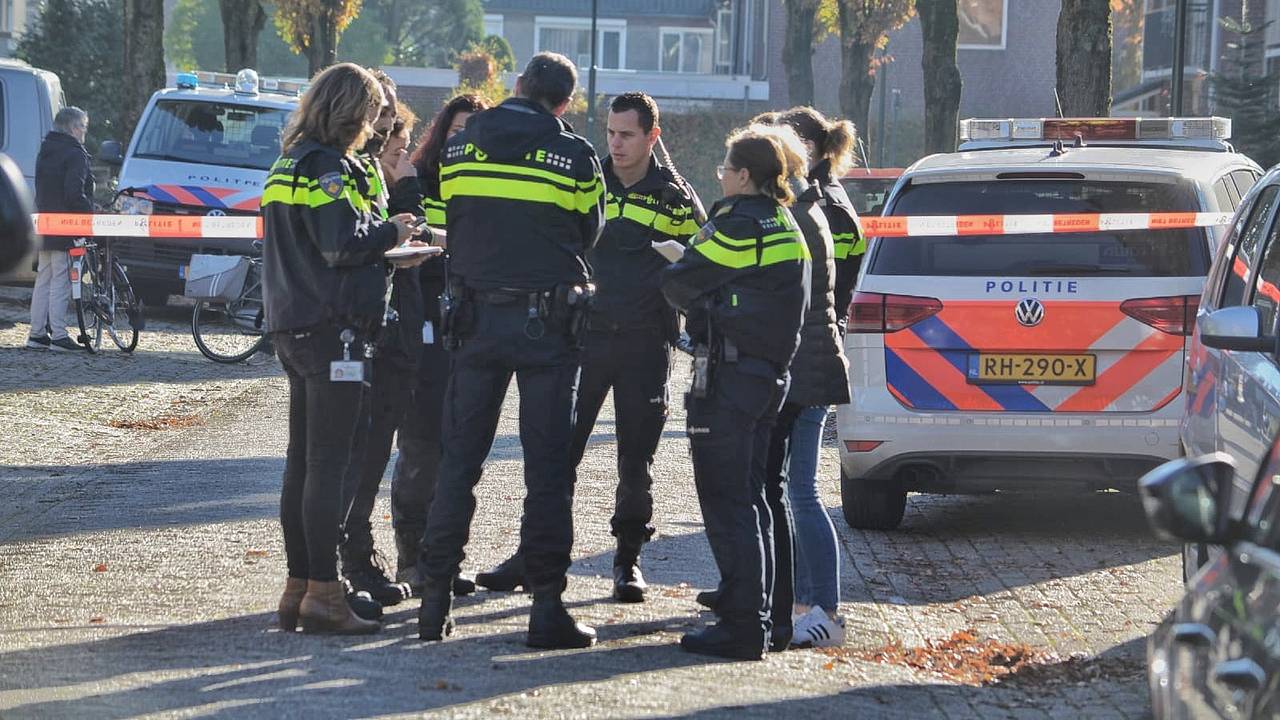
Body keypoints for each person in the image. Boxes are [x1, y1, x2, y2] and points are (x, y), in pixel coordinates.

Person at [474, 92, 702, 603]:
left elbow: (699, 268)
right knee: (557, 456)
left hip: (645, 344)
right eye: (611, 133)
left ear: (652, 137)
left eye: (627, 135)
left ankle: (628, 560)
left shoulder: (675, 196)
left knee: (635, 461)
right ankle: (533, 556)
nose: (616, 144)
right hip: (583, 341)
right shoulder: (587, 177)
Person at [416, 52, 604, 650]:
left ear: (518, 85)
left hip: (473, 321)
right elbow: (588, 231)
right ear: (564, 102)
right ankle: (546, 608)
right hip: (547, 327)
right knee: (547, 470)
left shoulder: (459, 148)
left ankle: (434, 601)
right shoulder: (576, 156)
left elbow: (449, 219)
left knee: (458, 461)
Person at [261, 62, 423, 635]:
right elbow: (340, 244)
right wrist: (393, 232)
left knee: (302, 463)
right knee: (329, 466)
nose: (376, 127)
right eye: (373, 114)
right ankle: (326, 593)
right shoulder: (328, 167)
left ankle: (300, 587)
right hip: (334, 331)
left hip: (293, 324)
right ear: (352, 111)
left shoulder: (288, 163)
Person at [660, 125, 811, 660]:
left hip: (730, 376)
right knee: (753, 498)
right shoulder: (784, 221)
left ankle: (743, 625)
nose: (720, 176)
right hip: (767, 376)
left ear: (744, 175)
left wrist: (692, 279)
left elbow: (680, 281)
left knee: (728, 502)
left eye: (725, 169)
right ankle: (757, 612)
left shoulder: (739, 223)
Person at [755, 108, 854, 649]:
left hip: (807, 369)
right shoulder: (815, 201)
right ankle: (799, 603)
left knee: (802, 491)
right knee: (796, 489)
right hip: (812, 364)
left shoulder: (809, 208)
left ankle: (825, 610)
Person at [338, 96, 432, 609]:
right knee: (352, 456)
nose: (402, 159)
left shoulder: (380, 180)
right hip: (363, 335)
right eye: (395, 149)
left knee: (373, 458)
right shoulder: (353, 177)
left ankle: (359, 558)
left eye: (404, 147)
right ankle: (343, 566)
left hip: (397, 334)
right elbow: (354, 245)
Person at [394, 94, 489, 594]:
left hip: (473, 325)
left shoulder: (491, 184)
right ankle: (410, 557)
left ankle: (447, 557)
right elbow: (409, 236)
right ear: (440, 134)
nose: (464, 141)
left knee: (463, 451)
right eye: (456, 131)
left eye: (474, 133)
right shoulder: (419, 179)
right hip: (426, 320)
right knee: (421, 444)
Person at [28, 107, 92, 352]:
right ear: (74, 128)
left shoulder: (46, 149)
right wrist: (90, 214)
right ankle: (59, 334)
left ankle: (36, 334)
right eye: (83, 127)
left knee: (43, 278)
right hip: (66, 225)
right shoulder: (75, 154)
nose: (84, 132)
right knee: (61, 279)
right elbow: (74, 193)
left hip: (44, 222)